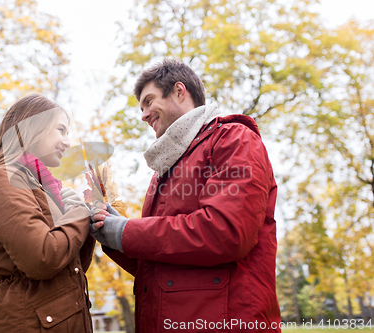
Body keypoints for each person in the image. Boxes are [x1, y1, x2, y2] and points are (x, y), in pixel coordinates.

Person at [91, 59, 281, 332]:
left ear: (180, 91)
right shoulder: (163, 171)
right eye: (141, 107)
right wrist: (109, 233)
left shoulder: (234, 140)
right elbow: (158, 266)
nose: (143, 115)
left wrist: (126, 231)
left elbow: (226, 232)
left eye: (149, 101)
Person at [0, 93, 106, 332]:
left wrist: (84, 219)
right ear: (32, 127)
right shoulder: (3, 179)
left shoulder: (42, 187)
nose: (67, 141)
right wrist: (78, 215)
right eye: (60, 130)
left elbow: (71, 269)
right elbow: (43, 258)